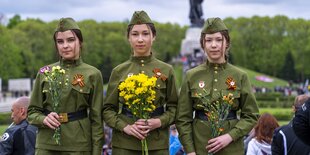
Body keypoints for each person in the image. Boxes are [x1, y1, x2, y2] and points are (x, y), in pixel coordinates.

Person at [176, 17, 259, 155]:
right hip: (200, 148)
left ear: (226, 43)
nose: (213, 45)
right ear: (203, 44)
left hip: (231, 148)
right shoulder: (191, 76)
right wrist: (190, 151)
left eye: (218, 40)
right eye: (209, 40)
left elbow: (251, 115)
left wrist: (230, 136)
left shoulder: (240, 76)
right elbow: (182, 119)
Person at [102, 10, 178, 155]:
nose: (140, 39)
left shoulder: (166, 70)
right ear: (129, 38)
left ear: (153, 36)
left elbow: (175, 107)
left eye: (145, 33)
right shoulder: (119, 71)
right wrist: (126, 127)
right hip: (125, 144)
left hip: (157, 143)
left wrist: (158, 121)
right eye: (135, 34)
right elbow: (107, 110)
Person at [27, 17, 104, 155]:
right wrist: (43, 119)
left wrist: (96, 151)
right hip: (46, 145)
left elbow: (97, 120)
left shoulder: (93, 74)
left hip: (78, 145)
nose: (65, 45)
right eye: (60, 41)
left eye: (70, 40)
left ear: (80, 42)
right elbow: (32, 112)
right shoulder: (45, 72)